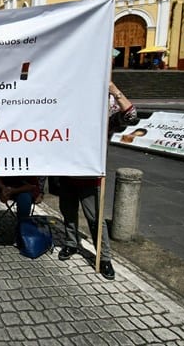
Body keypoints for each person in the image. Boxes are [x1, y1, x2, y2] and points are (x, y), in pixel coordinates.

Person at [58, 81, 138, 280]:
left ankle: (104, 258)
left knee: (95, 218)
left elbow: (131, 116)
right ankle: (71, 243)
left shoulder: (106, 118)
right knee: (68, 212)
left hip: (90, 175)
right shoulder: (69, 112)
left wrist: (114, 91)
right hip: (65, 172)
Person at [0, 176, 39, 242]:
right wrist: (3, 188)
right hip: (3, 186)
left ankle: (22, 230)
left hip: (22, 190)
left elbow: (32, 185)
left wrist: (13, 191)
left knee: (25, 199)